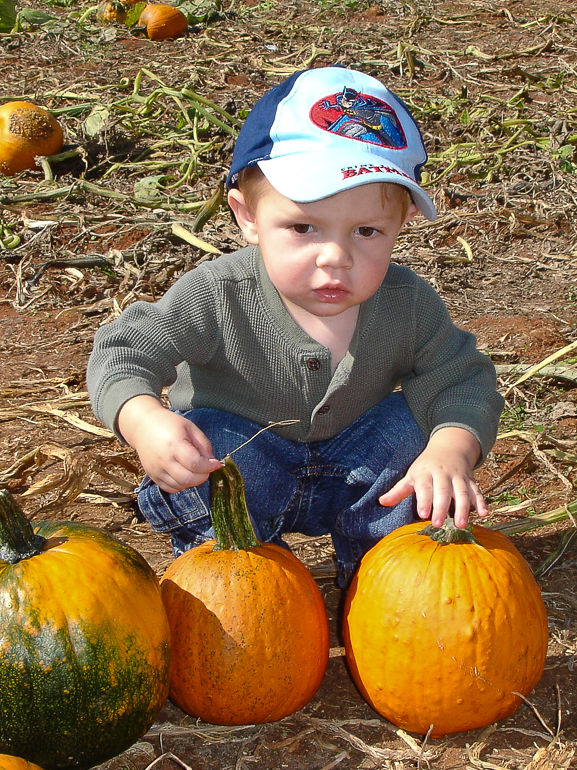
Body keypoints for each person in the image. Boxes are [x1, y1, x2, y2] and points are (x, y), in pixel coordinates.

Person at [87, 66, 504, 586]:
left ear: (402, 225)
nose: (336, 256)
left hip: (365, 474)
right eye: (303, 227)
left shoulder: (408, 303)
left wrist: (451, 449)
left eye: (367, 231)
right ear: (247, 216)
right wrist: (142, 417)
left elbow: (461, 378)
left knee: (412, 431)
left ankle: (384, 582)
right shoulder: (217, 294)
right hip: (244, 474)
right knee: (205, 442)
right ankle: (237, 577)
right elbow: (123, 350)